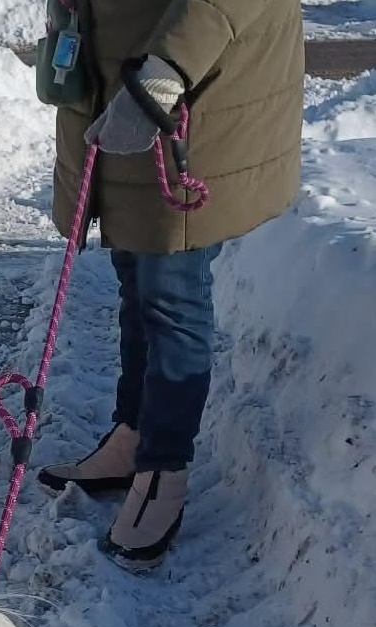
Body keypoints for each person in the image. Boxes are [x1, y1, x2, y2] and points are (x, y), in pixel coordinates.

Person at [36, 0, 304, 569]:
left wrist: (167, 69)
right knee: (135, 271)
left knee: (169, 287)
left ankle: (165, 468)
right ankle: (134, 435)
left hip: (192, 81)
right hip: (118, 69)